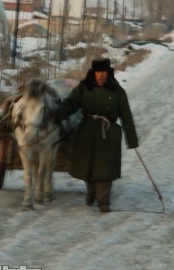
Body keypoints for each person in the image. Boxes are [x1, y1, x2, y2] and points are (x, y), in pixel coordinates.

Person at [56, 58, 139, 213]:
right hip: (86, 130)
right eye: (97, 73)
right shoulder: (84, 88)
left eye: (103, 72)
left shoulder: (117, 91)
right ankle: (91, 192)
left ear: (109, 73)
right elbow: (71, 103)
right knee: (88, 166)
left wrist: (132, 139)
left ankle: (103, 202)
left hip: (108, 134)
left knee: (104, 168)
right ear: (93, 73)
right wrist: (57, 115)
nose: (100, 76)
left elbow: (126, 117)